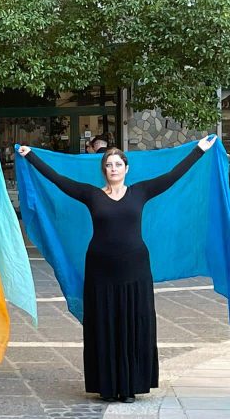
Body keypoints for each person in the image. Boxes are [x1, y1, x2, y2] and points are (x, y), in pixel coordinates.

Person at [17, 136, 216, 402]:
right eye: (109, 165)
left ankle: (131, 386)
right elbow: (57, 179)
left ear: (126, 168)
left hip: (135, 269)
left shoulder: (141, 191)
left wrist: (199, 150)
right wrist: (30, 155)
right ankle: (108, 386)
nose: (113, 169)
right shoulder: (91, 195)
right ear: (104, 169)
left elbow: (173, 175)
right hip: (100, 269)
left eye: (117, 164)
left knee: (134, 322)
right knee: (104, 323)